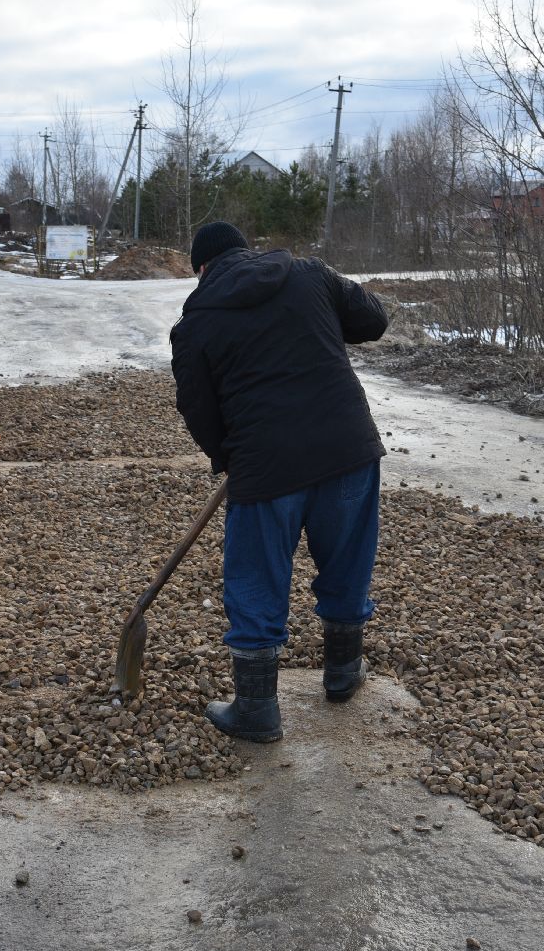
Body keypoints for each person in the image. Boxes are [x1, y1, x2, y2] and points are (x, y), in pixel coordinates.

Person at [170, 221, 388, 743]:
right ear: (245, 250)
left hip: (265, 468)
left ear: (200, 268)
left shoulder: (194, 323)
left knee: (256, 578)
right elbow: (373, 319)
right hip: (347, 449)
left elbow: (197, 411)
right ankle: (342, 672)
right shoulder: (309, 274)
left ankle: (257, 710)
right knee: (346, 561)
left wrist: (231, 458)